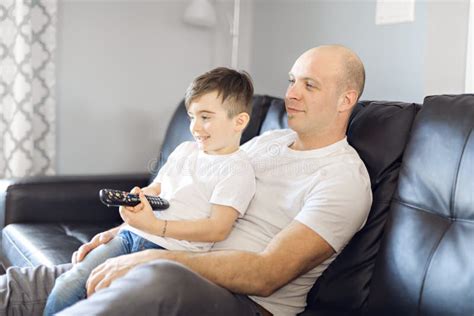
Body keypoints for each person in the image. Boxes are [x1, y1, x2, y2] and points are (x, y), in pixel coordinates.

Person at [0, 45, 372, 316]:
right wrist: (123, 233)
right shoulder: (270, 142)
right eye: (292, 80)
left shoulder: (342, 180)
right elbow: (193, 192)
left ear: (345, 99)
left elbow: (266, 274)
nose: (291, 94)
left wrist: (153, 259)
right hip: (174, 258)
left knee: (154, 279)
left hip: (240, 301)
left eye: (310, 85)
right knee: (32, 285)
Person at [43, 67, 257, 315]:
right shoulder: (185, 151)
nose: (195, 127)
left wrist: (157, 228)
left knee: (107, 304)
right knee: (67, 285)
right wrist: (140, 196)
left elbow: (217, 228)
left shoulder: (237, 170)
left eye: (205, 117)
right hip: (130, 237)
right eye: (191, 117)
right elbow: (158, 187)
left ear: (239, 121)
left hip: (167, 255)